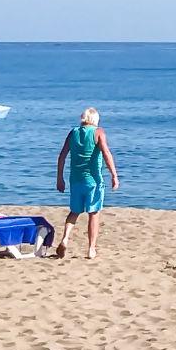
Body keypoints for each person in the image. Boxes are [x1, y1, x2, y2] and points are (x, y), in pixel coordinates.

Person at [54, 106, 119, 260]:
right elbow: (106, 153)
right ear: (95, 120)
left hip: (75, 180)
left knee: (74, 211)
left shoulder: (73, 133)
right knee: (94, 213)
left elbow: (62, 156)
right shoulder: (98, 132)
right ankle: (91, 248)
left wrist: (59, 178)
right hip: (93, 181)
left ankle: (65, 238)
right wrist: (114, 175)